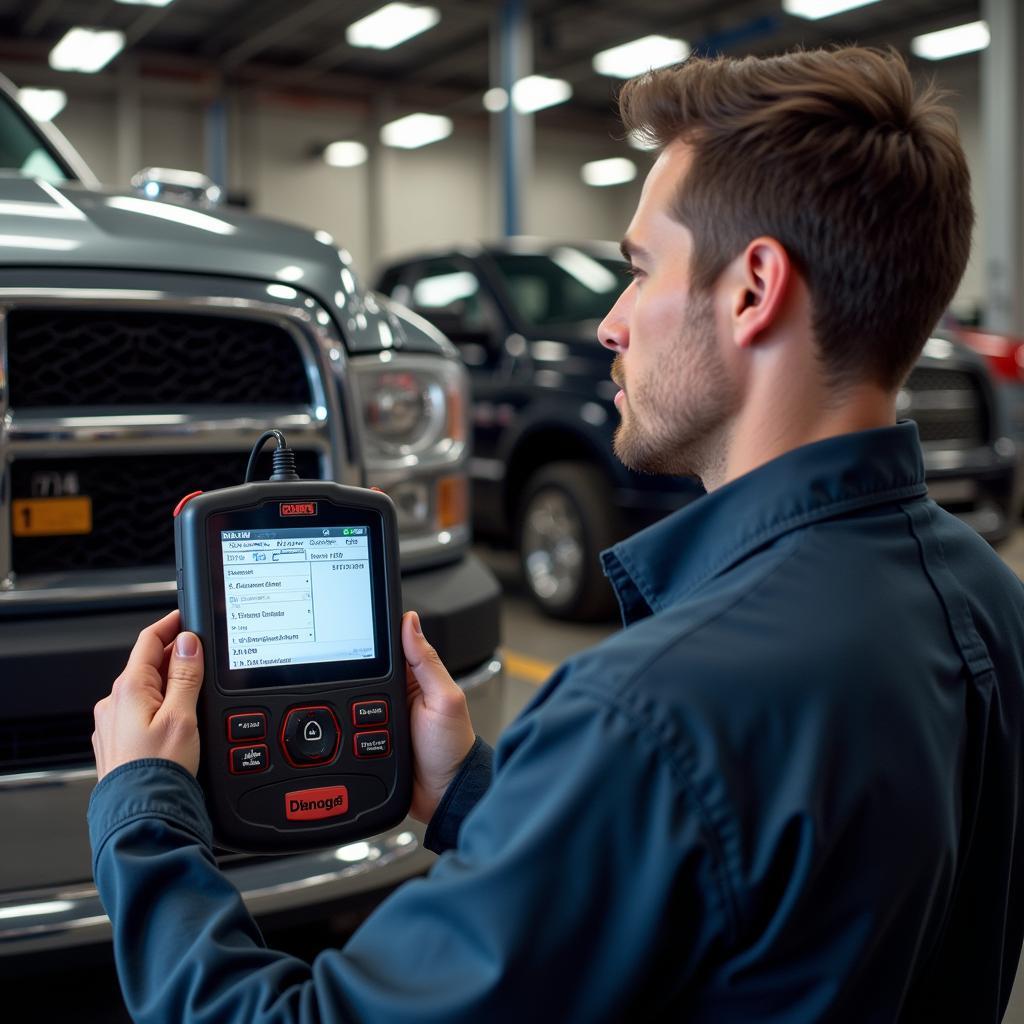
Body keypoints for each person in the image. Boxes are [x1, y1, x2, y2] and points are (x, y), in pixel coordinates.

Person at [90, 46, 1024, 1023]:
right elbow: (729, 908)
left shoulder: (651, 710)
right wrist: (475, 796)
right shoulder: (985, 604)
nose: (610, 325)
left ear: (753, 288)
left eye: (637, 269)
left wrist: (143, 812)